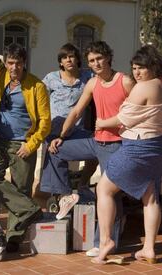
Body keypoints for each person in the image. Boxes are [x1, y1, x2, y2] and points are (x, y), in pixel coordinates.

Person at [42, 41, 135, 255]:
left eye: (99, 58)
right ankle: (65, 195)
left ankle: (103, 242)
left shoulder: (125, 81)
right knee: (54, 149)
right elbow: (75, 112)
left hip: (117, 145)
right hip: (96, 141)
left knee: (111, 194)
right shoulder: (92, 84)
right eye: (92, 60)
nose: (96, 63)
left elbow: (139, 112)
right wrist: (60, 136)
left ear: (108, 57)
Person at [92, 45, 162, 264]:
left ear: (153, 66)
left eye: (141, 68)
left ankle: (106, 240)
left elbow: (122, 119)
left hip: (137, 148)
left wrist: (100, 123)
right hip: (159, 148)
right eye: (134, 68)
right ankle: (149, 249)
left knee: (104, 188)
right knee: (151, 196)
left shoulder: (143, 88)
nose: (137, 73)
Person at [0, 41, 51, 253]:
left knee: (21, 188)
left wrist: (31, 145)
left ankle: (14, 238)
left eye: (18, 63)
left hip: (23, 142)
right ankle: (31, 209)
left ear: (24, 63)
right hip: (0, 138)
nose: (14, 68)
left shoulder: (37, 86)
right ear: (5, 62)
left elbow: (45, 122)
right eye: (10, 63)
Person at [40, 43, 96, 204]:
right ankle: (63, 197)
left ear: (78, 59)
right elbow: (38, 99)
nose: (68, 60)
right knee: (54, 154)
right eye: (64, 57)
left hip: (76, 130)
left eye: (71, 56)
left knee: (100, 146)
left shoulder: (88, 77)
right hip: (54, 131)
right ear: (60, 62)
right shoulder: (51, 78)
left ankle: (83, 185)